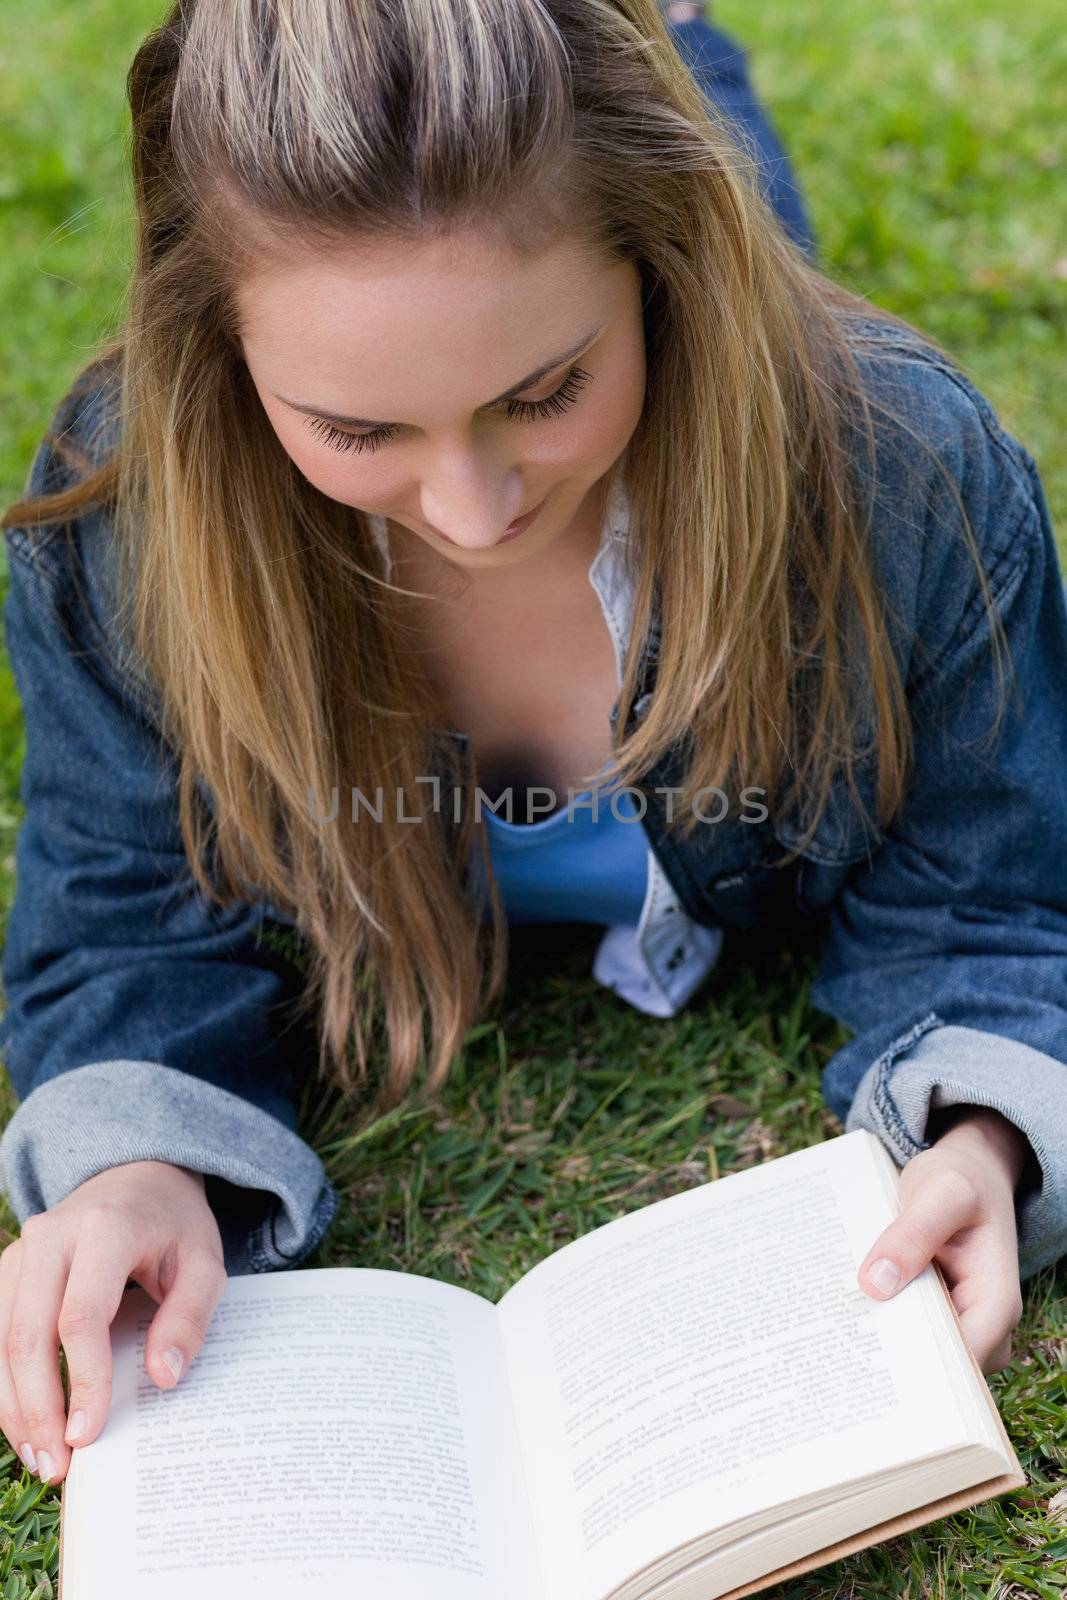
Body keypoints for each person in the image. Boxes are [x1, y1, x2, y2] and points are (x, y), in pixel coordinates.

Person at [0, 0, 1065, 1500]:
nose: (475, 510)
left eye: (546, 392)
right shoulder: (123, 530)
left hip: (734, 322)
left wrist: (982, 1137)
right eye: (358, 429)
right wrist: (136, 1161)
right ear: (213, 348)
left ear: (655, 274)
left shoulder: (912, 481)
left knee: (756, 230)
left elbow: (993, 894)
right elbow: (122, 916)